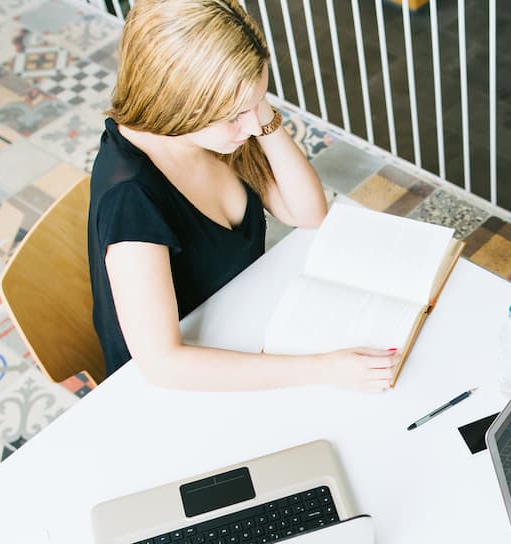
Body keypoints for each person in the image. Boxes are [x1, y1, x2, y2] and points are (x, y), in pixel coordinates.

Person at [89, 0, 397, 390]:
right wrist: (323, 369)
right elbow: (163, 364)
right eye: (235, 113)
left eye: (258, 103)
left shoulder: (209, 133)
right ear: (177, 104)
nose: (252, 126)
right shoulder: (130, 197)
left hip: (243, 325)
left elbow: (307, 213)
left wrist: (255, 106)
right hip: (184, 383)